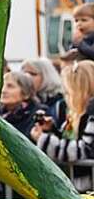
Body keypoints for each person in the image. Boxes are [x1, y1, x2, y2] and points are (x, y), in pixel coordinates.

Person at [32, 60, 94, 190]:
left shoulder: (91, 114)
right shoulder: (76, 113)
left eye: (67, 92)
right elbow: (69, 140)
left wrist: (44, 140)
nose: (65, 97)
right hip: (80, 186)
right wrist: (52, 130)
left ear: (80, 91)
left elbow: (85, 150)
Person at [23, 57, 67, 130]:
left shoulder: (60, 102)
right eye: (24, 73)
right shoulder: (24, 102)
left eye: (33, 74)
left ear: (47, 76)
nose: (27, 77)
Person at [0, 70, 43, 137]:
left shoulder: (37, 114)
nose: (3, 90)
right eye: (2, 85)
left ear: (26, 93)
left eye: (10, 86)